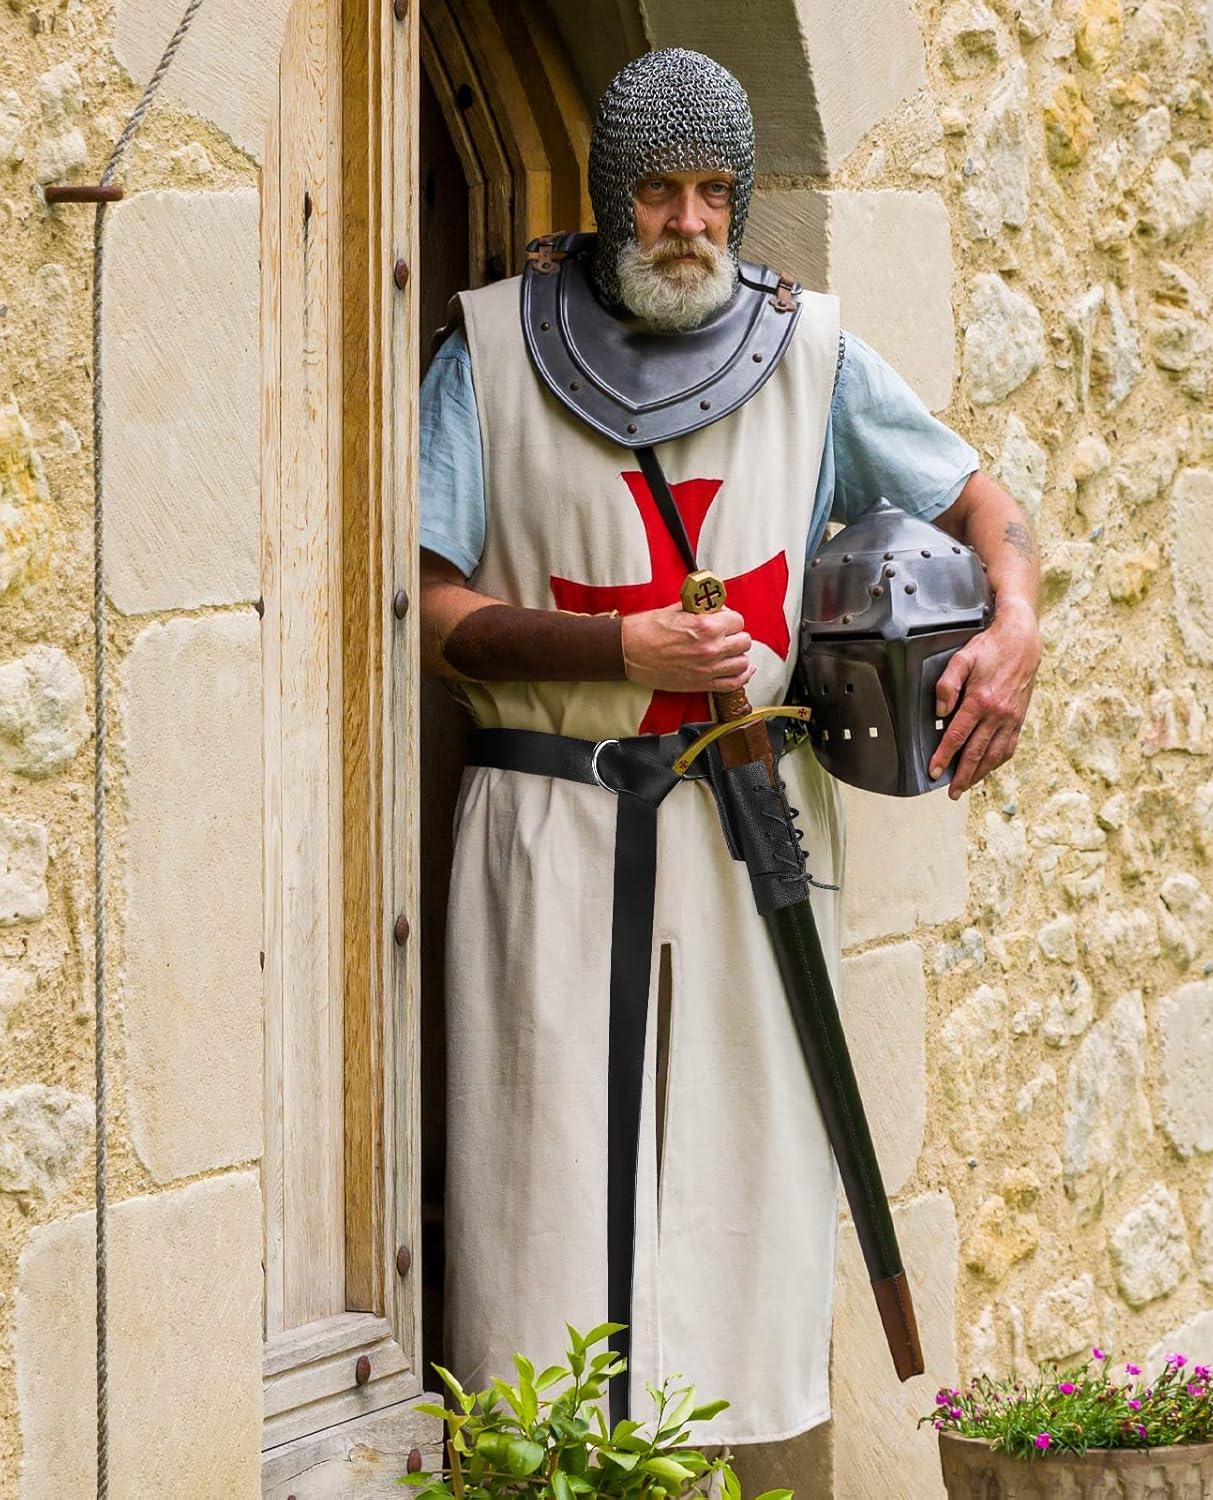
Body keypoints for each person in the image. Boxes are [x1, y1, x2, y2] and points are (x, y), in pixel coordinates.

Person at [418, 48, 1041, 1446]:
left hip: (756, 822)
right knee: (547, 1170)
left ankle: (729, 1454)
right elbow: (431, 609)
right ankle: (550, 1465)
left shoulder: (813, 354)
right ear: (608, 196)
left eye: (712, 194)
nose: (688, 224)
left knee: (743, 1169)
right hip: (553, 829)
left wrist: (1017, 625)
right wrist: (616, 650)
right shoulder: (493, 352)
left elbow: (984, 505)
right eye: (657, 192)